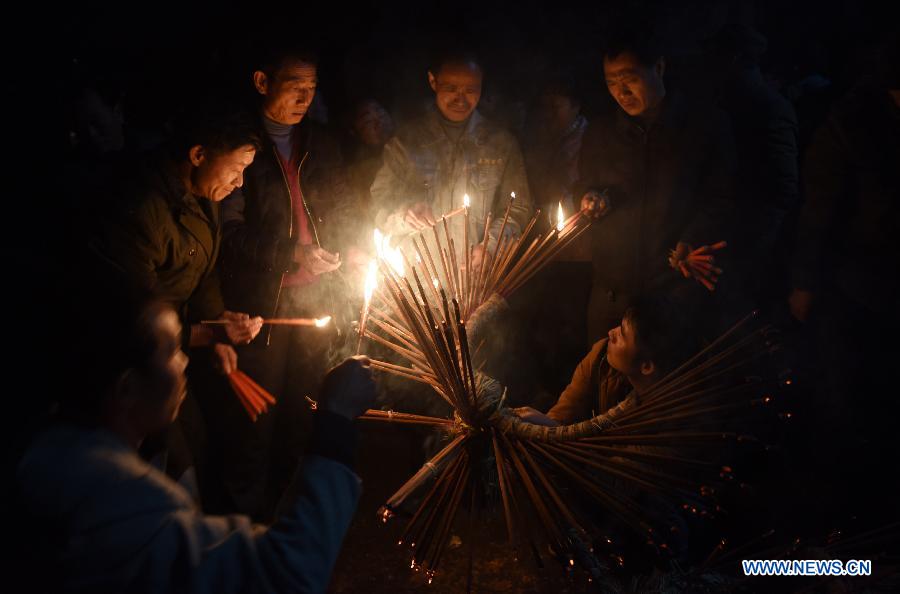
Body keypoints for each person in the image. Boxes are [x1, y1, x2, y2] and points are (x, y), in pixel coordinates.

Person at [14, 287, 375, 593]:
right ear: (125, 388)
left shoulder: (52, 455)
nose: (185, 361)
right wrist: (336, 420)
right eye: (171, 350)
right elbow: (286, 572)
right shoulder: (118, 507)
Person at [216, 46, 361, 520]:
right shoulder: (239, 143)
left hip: (313, 304)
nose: (305, 96)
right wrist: (291, 254)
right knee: (253, 428)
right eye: (294, 84)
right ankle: (244, 534)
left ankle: (288, 526)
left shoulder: (319, 143)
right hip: (261, 309)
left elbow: (340, 207)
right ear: (262, 82)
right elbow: (230, 232)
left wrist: (349, 245)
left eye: (312, 86)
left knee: (302, 419)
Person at [88, 105, 265, 489]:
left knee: (196, 444)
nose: (239, 184)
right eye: (235, 170)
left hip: (170, 350)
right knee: (166, 461)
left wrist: (217, 320)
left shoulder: (203, 196)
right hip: (132, 364)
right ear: (198, 154)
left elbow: (203, 271)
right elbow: (131, 317)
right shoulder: (141, 207)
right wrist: (211, 334)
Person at [576, 29, 736, 342]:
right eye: (611, 82)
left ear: (659, 68)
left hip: (673, 293)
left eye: (629, 78)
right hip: (610, 293)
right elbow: (584, 185)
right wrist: (589, 198)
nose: (621, 91)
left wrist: (692, 238)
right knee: (602, 385)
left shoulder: (703, 127)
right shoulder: (601, 132)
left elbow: (723, 197)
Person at [370, 49, 533, 267]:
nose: (461, 99)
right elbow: (378, 203)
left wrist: (491, 246)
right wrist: (404, 214)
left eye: (471, 90)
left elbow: (518, 208)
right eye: (451, 88)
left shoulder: (501, 144)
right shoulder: (406, 143)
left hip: (476, 277)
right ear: (432, 81)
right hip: (418, 277)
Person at [513, 294, 692, 427]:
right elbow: (567, 408)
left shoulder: (674, 420)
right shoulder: (602, 357)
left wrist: (551, 429)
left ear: (646, 366)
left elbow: (610, 468)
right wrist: (546, 424)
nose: (610, 333)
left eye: (621, 333)